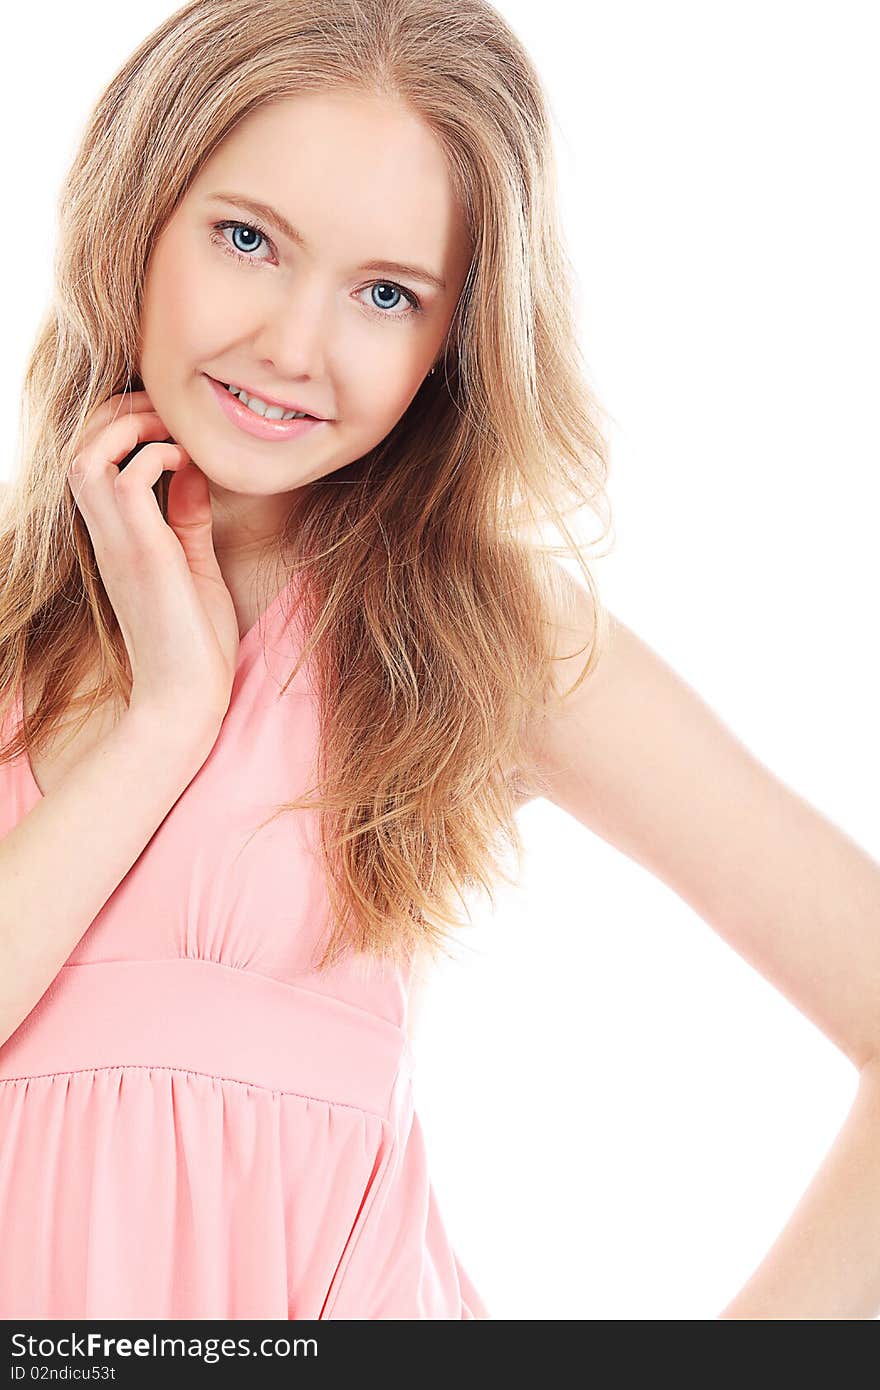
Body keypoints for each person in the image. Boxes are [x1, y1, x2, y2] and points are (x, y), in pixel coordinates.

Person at [1, 0, 879, 1323]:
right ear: (136, 218)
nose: (294, 347)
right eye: (248, 239)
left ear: (452, 342)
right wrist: (167, 722)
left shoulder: (490, 638)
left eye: (386, 293)